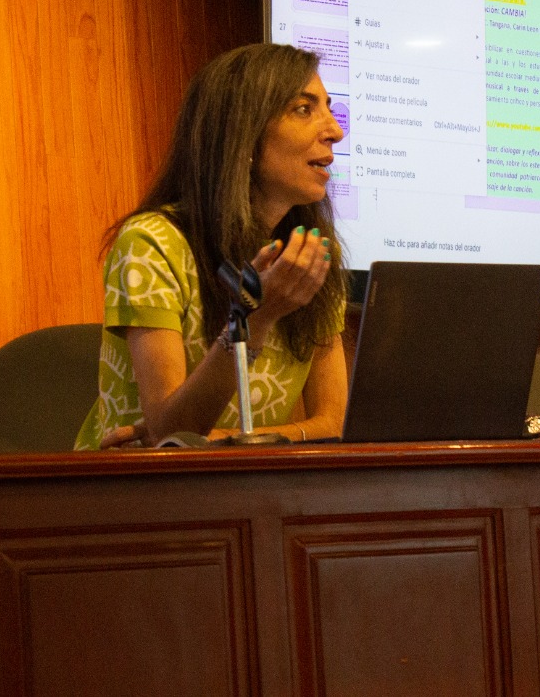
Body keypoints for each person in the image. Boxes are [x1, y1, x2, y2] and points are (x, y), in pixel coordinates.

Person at [74, 43, 348, 448]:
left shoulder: (308, 251)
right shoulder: (152, 243)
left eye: (328, 107)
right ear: (244, 135)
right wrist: (257, 317)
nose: (335, 131)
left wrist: (237, 440)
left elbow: (335, 422)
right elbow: (173, 434)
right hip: (134, 493)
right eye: (304, 110)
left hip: (249, 491)